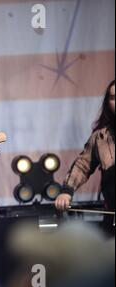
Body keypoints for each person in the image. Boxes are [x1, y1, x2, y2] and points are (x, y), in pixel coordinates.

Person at [55, 80, 115, 235]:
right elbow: (82, 165)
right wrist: (66, 191)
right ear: (108, 103)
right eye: (113, 98)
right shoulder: (100, 137)